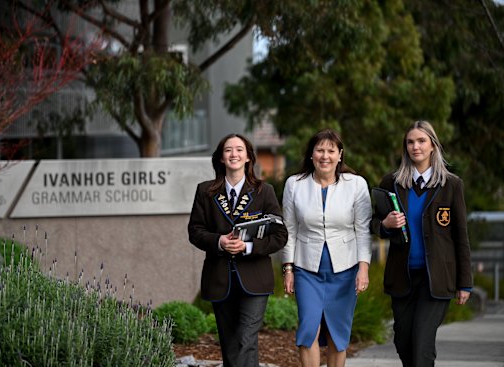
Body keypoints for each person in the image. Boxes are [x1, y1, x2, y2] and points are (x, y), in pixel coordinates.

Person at [371, 120, 472, 367]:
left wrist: (465, 283)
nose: (415, 146)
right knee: (404, 342)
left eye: (421, 141)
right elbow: (371, 224)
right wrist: (386, 224)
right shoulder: (392, 183)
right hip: (402, 278)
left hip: (436, 279)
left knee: (422, 345)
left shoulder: (451, 185)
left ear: (433, 146)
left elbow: (461, 237)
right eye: (410, 142)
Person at [188, 133, 288, 367]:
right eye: (228, 150)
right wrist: (219, 241)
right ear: (221, 158)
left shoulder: (265, 191)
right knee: (230, 343)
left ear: (248, 157)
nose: (234, 154)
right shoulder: (206, 191)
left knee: (246, 338)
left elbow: (280, 235)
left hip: (255, 279)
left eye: (239, 150)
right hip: (219, 278)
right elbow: (195, 231)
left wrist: (248, 246)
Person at [281, 129, 372, 367]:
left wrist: (364, 269)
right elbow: (289, 230)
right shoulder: (294, 185)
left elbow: (363, 230)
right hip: (306, 270)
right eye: (320, 150)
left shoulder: (357, 184)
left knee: (337, 334)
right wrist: (288, 269)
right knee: (308, 329)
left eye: (331, 151)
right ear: (311, 154)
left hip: (345, 270)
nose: (325, 156)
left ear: (340, 155)